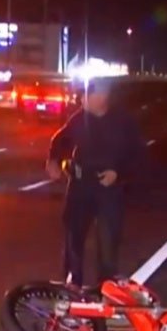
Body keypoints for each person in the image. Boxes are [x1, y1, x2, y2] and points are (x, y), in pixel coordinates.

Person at [46, 78, 141, 286]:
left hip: (109, 188)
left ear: (102, 98)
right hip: (80, 186)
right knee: (73, 237)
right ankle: (73, 284)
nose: (81, 99)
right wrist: (53, 159)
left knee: (108, 241)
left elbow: (137, 154)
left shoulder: (124, 123)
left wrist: (119, 173)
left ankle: (105, 289)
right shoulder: (79, 119)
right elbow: (61, 140)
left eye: (86, 96)